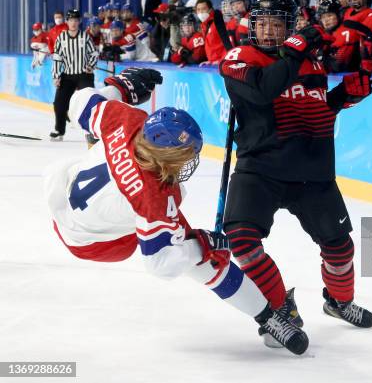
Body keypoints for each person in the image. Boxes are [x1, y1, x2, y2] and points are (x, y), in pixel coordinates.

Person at [43, 67, 307, 355]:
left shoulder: (128, 118)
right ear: (167, 155)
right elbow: (160, 265)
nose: (187, 162)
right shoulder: (154, 199)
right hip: (93, 243)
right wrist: (201, 246)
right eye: (184, 156)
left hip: (63, 194)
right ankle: (268, 317)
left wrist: (119, 88)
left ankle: (260, 308)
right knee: (202, 258)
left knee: (108, 141)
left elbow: (78, 102)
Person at [219, 0, 372, 350]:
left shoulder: (312, 64)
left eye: (278, 24)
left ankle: (338, 302)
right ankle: (279, 308)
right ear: (252, 26)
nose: (270, 32)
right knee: (241, 241)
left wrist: (344, 97)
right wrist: (295, 48)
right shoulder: (238, 58)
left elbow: (314, 109)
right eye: (263, 24)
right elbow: (264, 91)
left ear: (289, 25)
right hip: (260, 168)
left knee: (340, 249)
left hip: (312, 170)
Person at [50, 9, 98, 141]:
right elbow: (57, 58)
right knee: (59, 103)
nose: (73, 23)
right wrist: (56, 76)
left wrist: (91, 65)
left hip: (84, 75)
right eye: (71, 20)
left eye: (76, 20)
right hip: (68, 75)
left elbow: (94, 53)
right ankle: (59, 130)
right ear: (67, 21)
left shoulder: (85, 36)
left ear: (79, 22)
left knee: (91, 103)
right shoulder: (62, 37)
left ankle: (92, 132)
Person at [317, 0, 361, 72]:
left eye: (329, 15)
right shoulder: (321, 34)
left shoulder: (347, 31)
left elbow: (339, 66)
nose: (326, 20)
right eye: (323, 17)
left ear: (338, 15)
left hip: (347, 75)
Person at [194, 0, 232, 64]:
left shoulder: (219, 22)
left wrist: (220, 60)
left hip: (223, 62)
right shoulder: (203, 25)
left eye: (204, 9)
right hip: (213, 63)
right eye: (198, 9)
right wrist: (211, 61)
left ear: (210, 10)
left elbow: (229, 43)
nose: (201, 12)